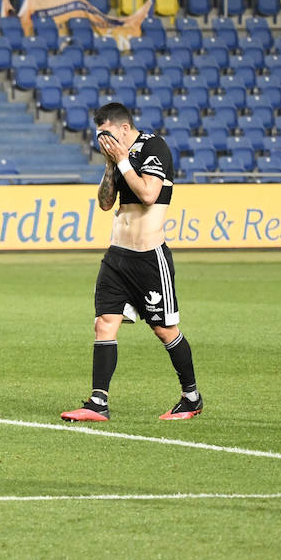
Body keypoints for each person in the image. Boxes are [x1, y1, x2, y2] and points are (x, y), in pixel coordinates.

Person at [62, 102, 202, 423]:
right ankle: (98, 402)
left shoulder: (154, 147)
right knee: (103, 323)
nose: (103, 141)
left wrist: (123, 160)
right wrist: (111, 165)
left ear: (124, 128)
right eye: (99, 136)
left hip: (148, 258)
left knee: (164, 330)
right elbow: (105, 202)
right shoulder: (117, 159)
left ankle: (191, 397)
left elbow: (149, 194)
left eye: (107, 134)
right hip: (117, 256)